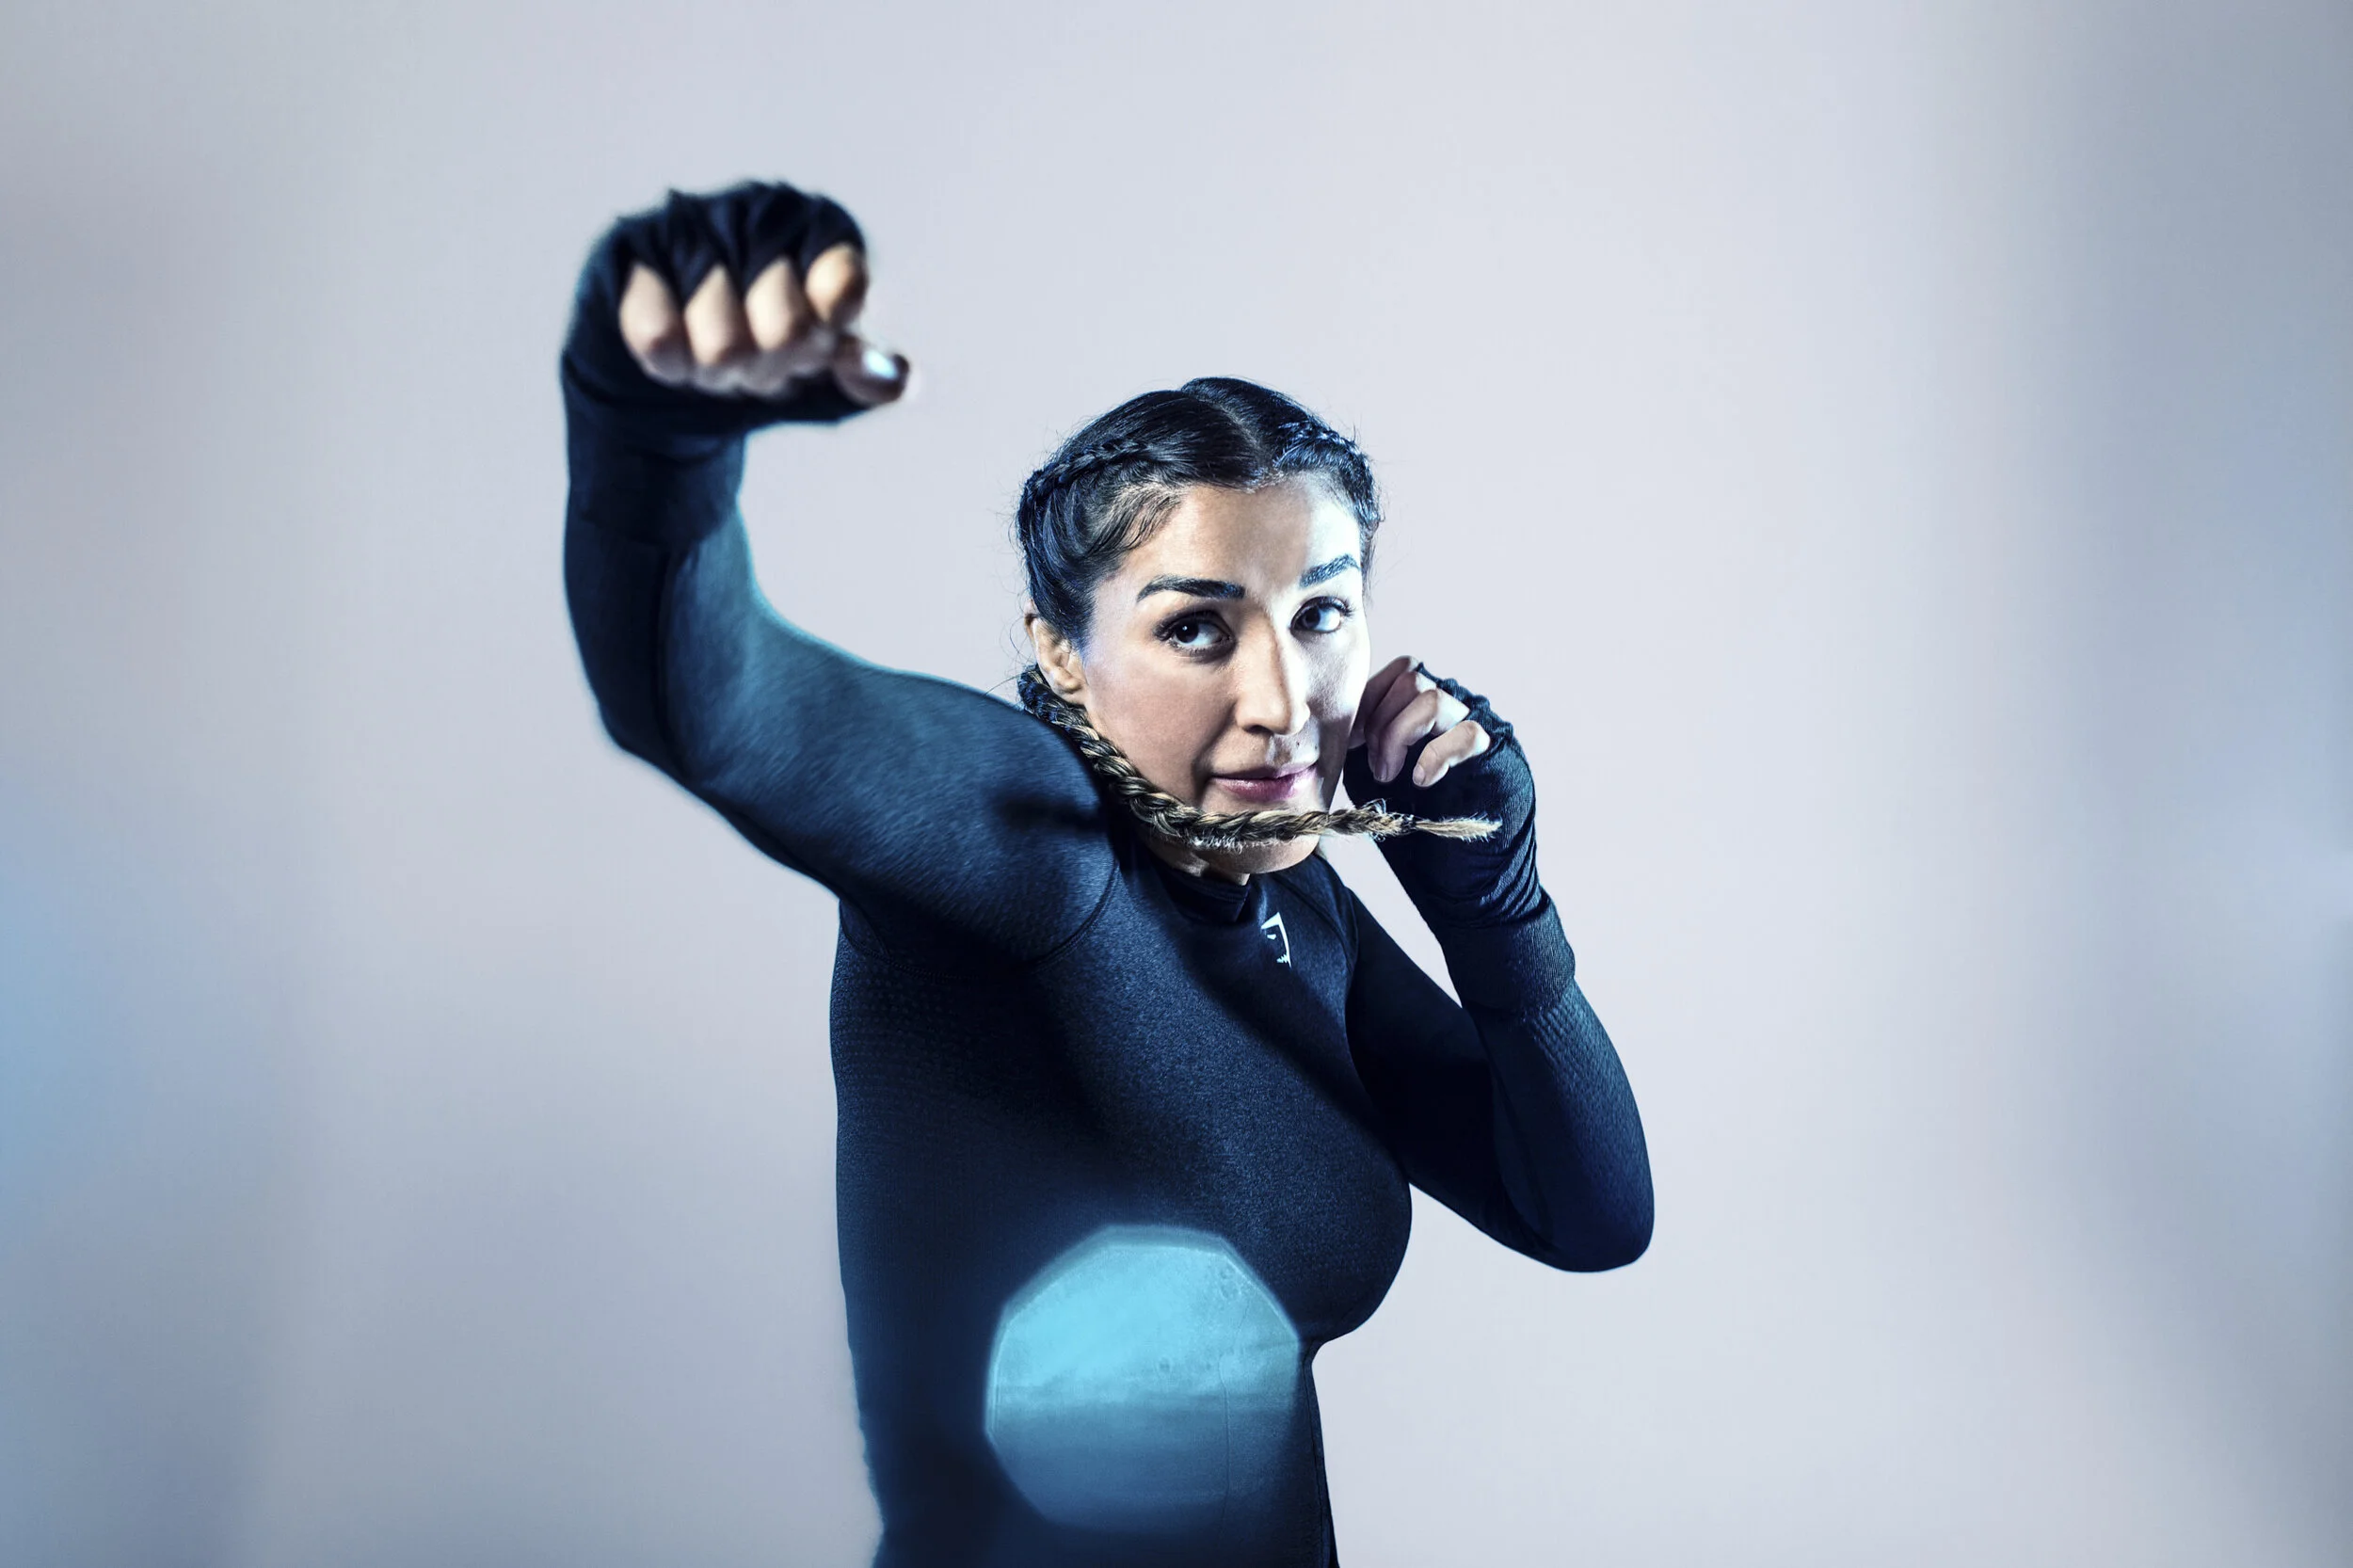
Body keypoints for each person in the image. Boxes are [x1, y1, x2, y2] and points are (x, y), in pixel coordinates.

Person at [561, 179, 1653, 1568]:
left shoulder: (1291, 902)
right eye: (1197, 628)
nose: (1282, 700)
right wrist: (653, 441)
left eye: (1321, 612)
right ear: (1060, 651)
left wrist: (1497, 909)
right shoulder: (1026, 847)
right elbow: (720, 712)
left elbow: (1590, 1215)